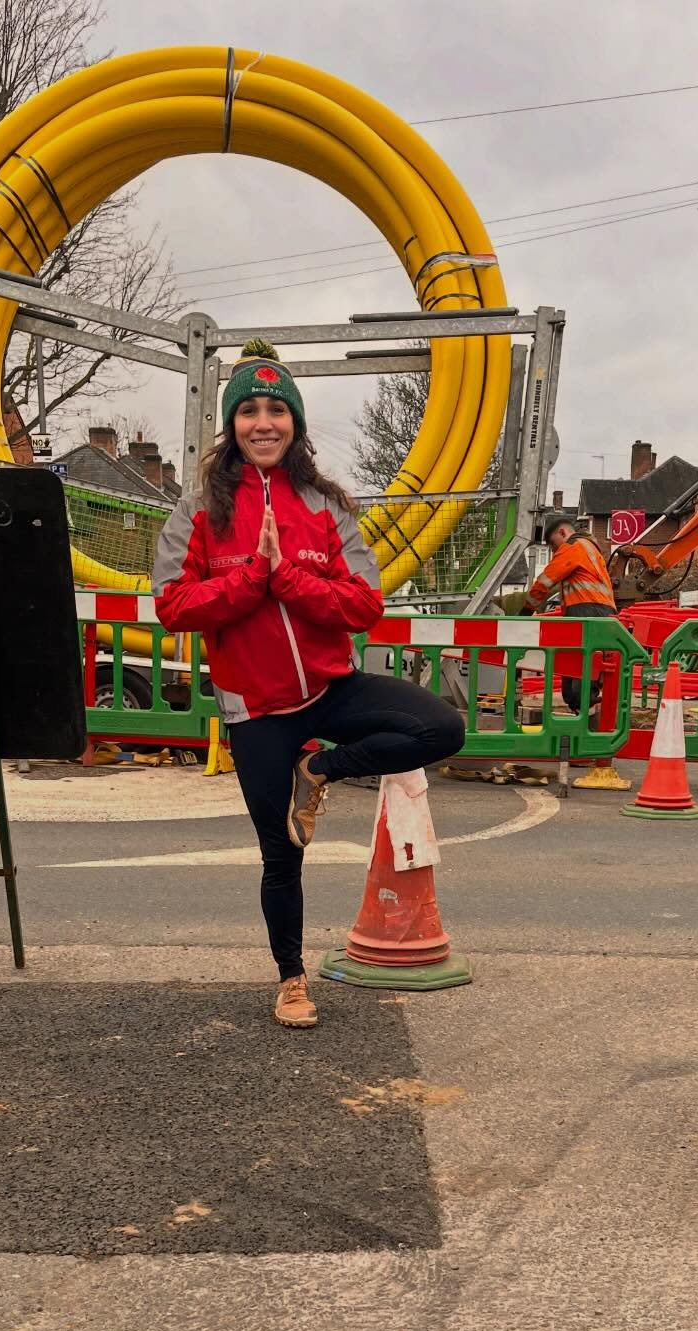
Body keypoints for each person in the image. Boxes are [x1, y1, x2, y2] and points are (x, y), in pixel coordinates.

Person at [154, 340, 465, 1031]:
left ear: (294, 423)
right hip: (255, 709)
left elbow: (364, 604)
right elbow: (173, 604)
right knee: (281, 855)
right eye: (249, 412)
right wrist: (247, 581)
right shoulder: (200, 506)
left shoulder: (327, 504)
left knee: (441, 728)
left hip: (330, 688)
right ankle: (292, 979)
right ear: (232, 424)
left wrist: (288, 579)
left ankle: (317, 768)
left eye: (276, 411)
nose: (263, 424)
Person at [525, 511, 621, 716]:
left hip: (587, 609)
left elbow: (546, 580)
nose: (554, 551)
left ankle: (585, 709)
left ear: (562, 532)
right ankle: (584, 708)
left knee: (583, 663)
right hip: (597, 609)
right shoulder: (589, 548)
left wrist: (525, 611)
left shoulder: (574, 547)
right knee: (584, 662)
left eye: (553, 545)